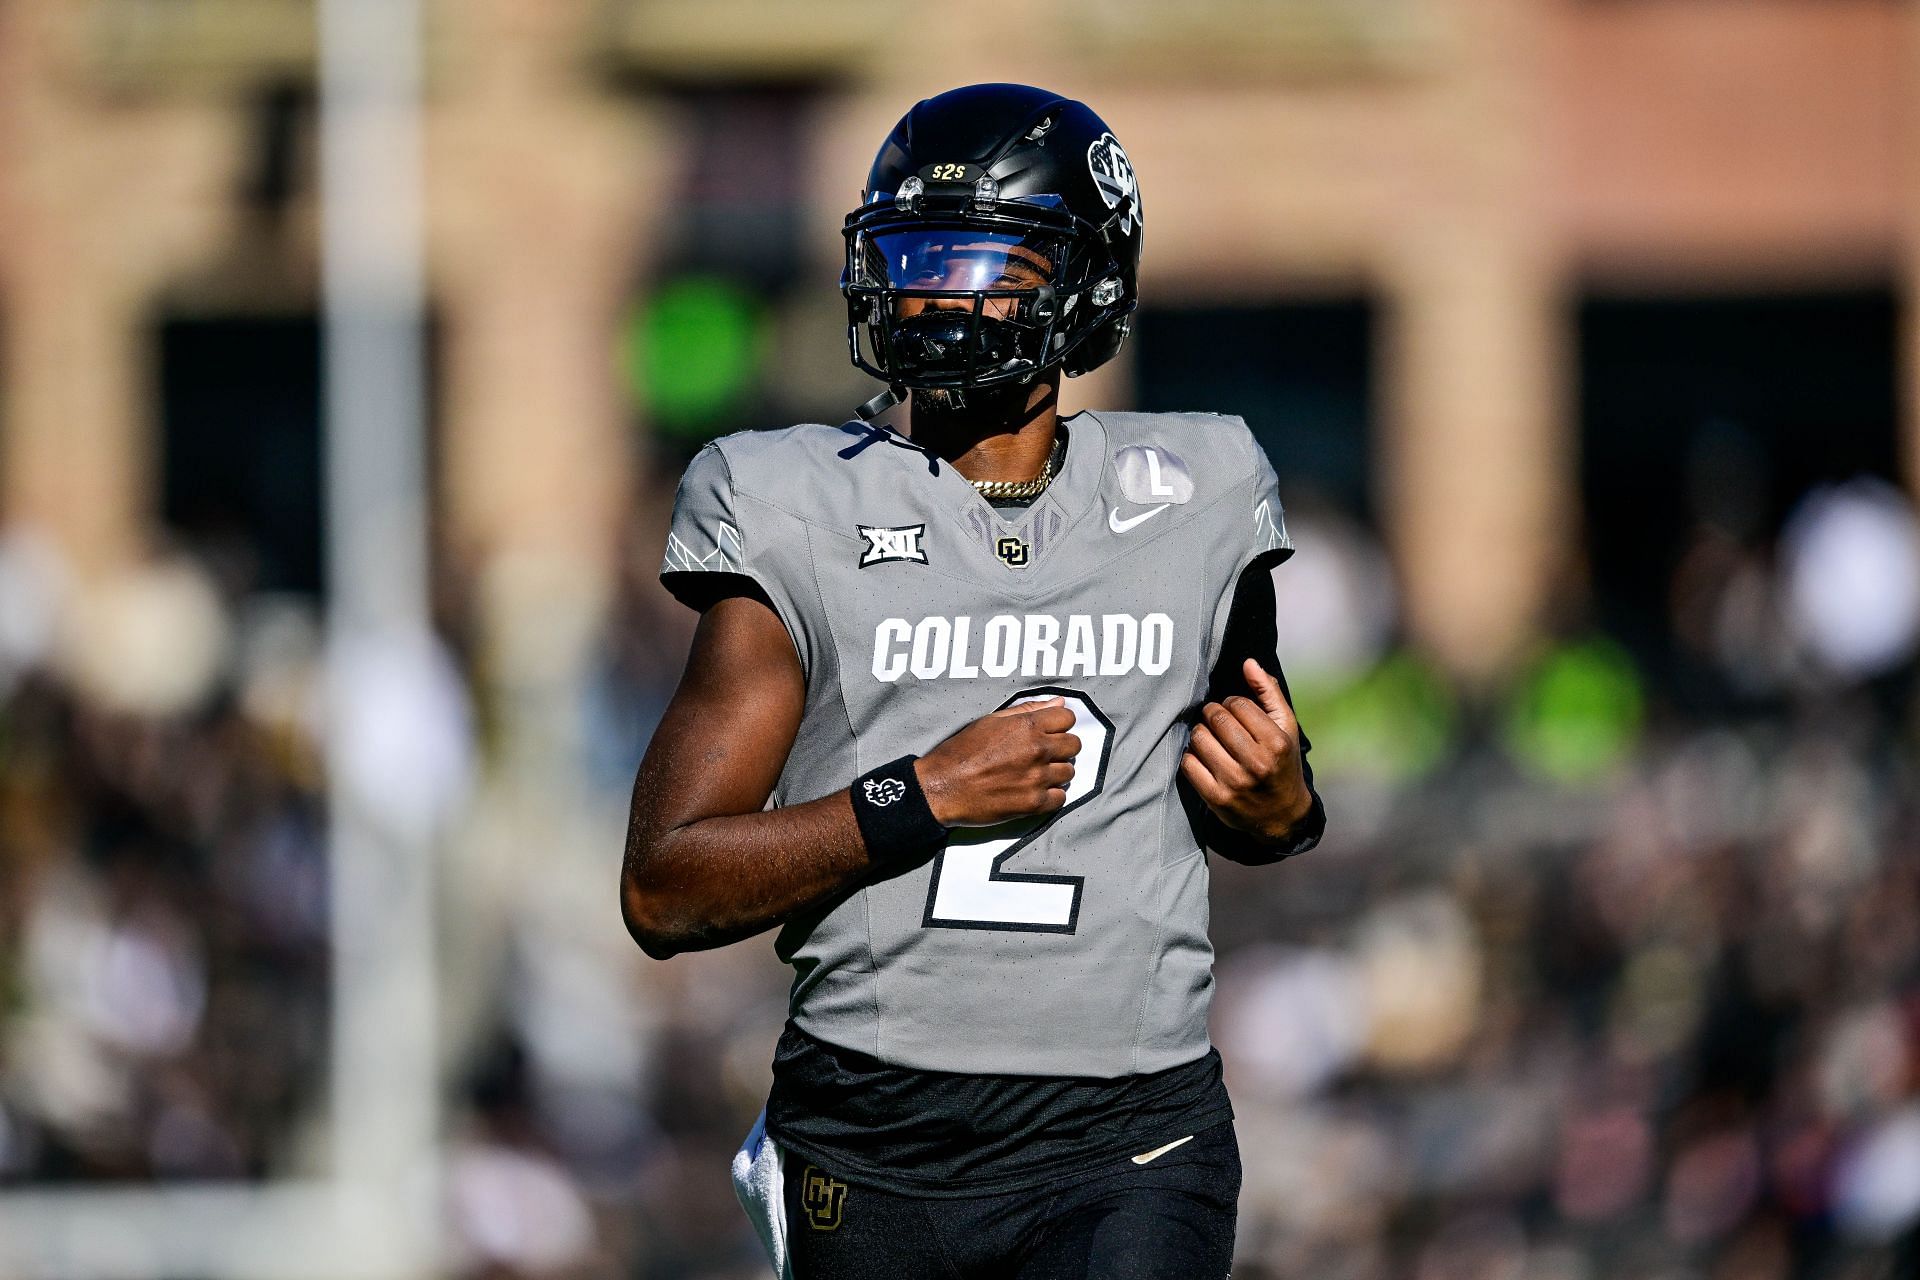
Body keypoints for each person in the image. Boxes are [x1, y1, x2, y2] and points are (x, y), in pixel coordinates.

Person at [623, 82, 1325, 1280]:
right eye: (909, 255)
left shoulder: (1197, 490)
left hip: (1132, 1129)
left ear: (1085, 278)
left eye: (974, 257)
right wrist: (922, 793)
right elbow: (666, 885)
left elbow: (1249, 786)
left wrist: (1285, 811)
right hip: (875, 1131)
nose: (932, 290)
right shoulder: (796, 500)